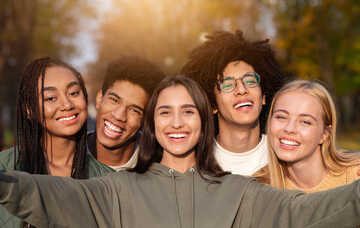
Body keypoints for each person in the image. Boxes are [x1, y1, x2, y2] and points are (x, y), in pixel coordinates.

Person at [0, 76, 360, 228]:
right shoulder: (117, 190)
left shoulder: (241, 193)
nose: (177, 123)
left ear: (203, 121)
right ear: (152, 126)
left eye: (188, 111)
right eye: (164, 112)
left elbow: (310, 212)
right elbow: (46, 194)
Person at [0, 56, 110, 227]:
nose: (66, 104)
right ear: (30, 110)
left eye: (73, 93)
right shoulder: (4, 167)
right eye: (51, 98)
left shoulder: (108, 180)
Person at [181, 29, 285, 175]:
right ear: (212, 104)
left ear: (264, 96)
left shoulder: (284, 154)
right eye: (227, 84)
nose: (241, 89)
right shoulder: (194, 160)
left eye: (250, 80)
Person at [254, 79, 360, 192]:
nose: (289, 129)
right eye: (281, 117)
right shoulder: (259, 189)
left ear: (324, 134)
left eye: (305, 122)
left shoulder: (354, 177)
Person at [87, 56, 166, 171]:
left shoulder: (158, 164)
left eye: (134, 110)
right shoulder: (68, 154)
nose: (119, 115)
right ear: (99, 99)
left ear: (144, 120)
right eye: (114, 100)